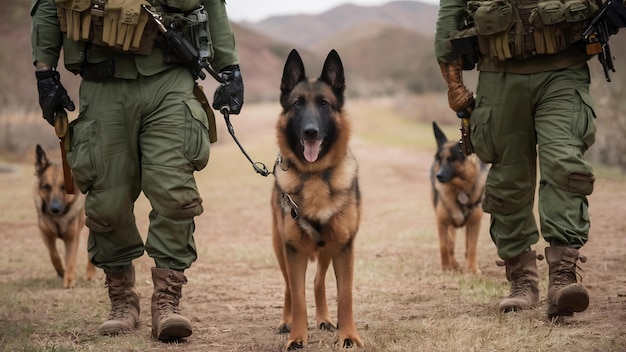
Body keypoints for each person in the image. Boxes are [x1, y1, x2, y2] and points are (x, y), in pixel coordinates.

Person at [31, 0, 244, 341]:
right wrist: (45, 72)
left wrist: (230, 67)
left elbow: (212, 3)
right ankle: (121, 300)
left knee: (175, 193)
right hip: (103, 81)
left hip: (170, 77)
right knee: (106, 200)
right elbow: (48, 4)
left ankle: (168, 301)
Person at [435, 0, 605, 319]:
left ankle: (563, 277)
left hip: (563, 71)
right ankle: (522, 279)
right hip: (498, 75)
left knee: (564, 164)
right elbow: (449, 16)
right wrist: (453, 83)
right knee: (508, 177)